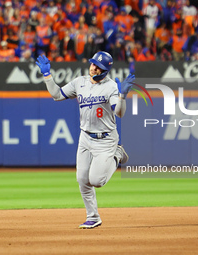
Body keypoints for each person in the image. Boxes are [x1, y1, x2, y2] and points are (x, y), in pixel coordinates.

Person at [36, 51, 133, 229]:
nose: (93, 67)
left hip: (105, 140)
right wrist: (47, 75)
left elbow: (119, 113)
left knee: (97, 181)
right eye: (93, 63)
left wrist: (122, 97)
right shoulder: (79, 82)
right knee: (82, 179)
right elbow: (57, 95)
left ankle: (117, 155)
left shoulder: (110, 87)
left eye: (98, 66)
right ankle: (93, 216)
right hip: (85, 137)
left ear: (105, 70)